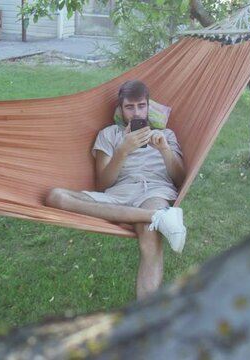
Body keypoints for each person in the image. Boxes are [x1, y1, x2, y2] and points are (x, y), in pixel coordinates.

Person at [45, 80, 186, 300]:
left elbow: (180, 179)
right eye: (129, 107)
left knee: (149, 233)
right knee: (55, 196)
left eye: (141, 106)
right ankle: (161, 217)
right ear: (121, 109)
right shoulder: (109, 135)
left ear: (149, 106)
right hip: (118, 195)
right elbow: (103, 184)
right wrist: (123, 150)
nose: (136, 112)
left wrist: (165, 150)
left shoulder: (166, 135)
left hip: (154, 192)